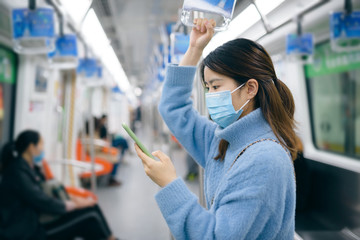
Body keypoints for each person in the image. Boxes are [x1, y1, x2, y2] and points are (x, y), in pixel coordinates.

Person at [134, 18, 299, 239]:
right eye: (207, 87)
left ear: (250, 88)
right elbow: (173, 109)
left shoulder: (265, 159)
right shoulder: (222, 139)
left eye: (216, 86)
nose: (210, 96)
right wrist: (194, 49)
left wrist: (169, 183)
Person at [0, 130, 116, 240]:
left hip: (38, 219)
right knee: (90, 217)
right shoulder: (17, 173)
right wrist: (73, 205)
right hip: (27, 231)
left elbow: (44, 191)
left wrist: (76, 200)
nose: (42, 149)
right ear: (31, 147)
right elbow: (41, 200)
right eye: (41, 144)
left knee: (91, 210)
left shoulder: (30, 168)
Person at [98, 115, 129, 186]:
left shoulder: (103, 127)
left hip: (108, 141)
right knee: (122, 141)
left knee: (123, 139)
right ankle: (111, 179)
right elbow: (103, 138)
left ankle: (126, 150)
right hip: (106, 144)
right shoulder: (101, 128)